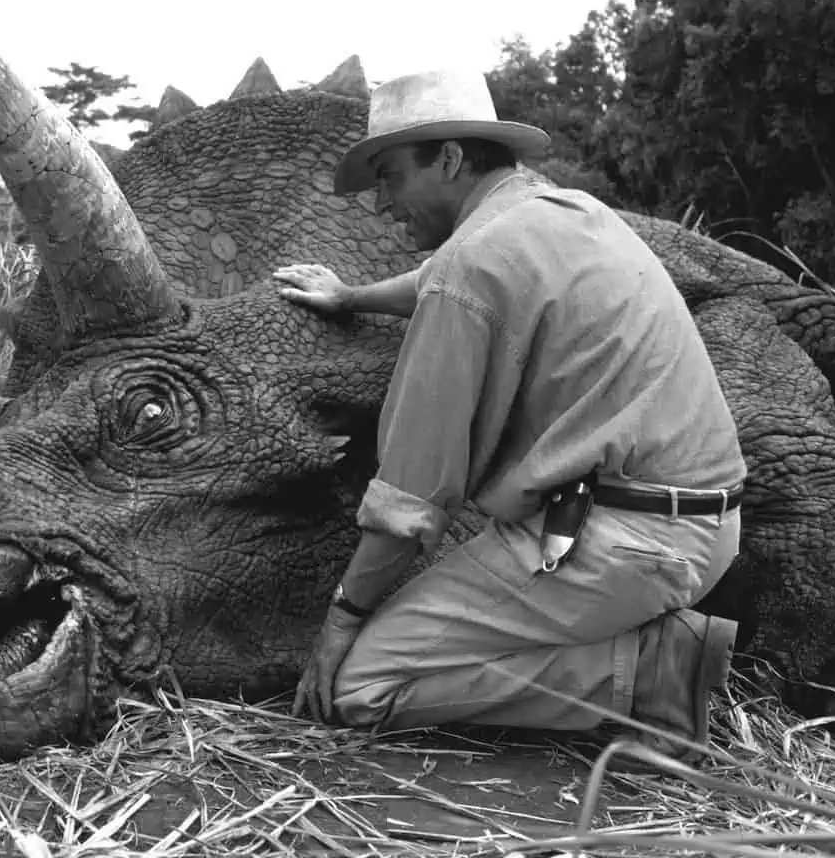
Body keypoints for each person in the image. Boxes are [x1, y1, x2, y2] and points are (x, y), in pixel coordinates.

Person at [274, 68, 746, 762]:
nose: (381, 202)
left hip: (622, 542)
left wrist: (344, 614)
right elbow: (449, 278)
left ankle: (649, 673)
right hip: (705, 525)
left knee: (365, 684)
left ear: (449, 158)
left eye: (391, 175)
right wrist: (352, 297)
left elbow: (412, 497)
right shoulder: (566, 213)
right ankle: (623, 649)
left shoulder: (473, 265)